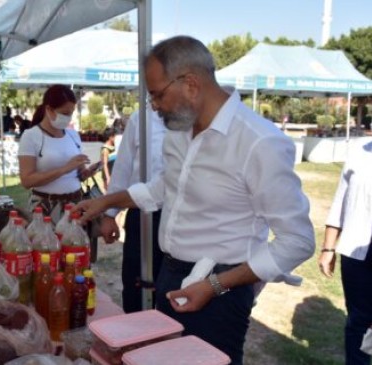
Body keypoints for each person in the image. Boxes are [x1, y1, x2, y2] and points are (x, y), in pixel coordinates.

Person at [75, 36, 315, 364]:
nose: (154, 106)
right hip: (170, 273)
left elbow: (298, 241)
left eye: (157, 95)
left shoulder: (260, 143)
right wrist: (107, 202)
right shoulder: (179, 131)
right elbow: (165, 187)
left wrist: (215, 285)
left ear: (190, 84)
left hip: (221, 291)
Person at [99, 107, 167, 313]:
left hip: (180, 219)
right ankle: (136, 337)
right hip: (141, 214)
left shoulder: (195, 117)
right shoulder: (141, 118)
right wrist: (110, 214)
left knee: (171, 289)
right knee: (136, 285)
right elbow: (123, 167)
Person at [319, 140, 372, 365]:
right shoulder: (359, 153)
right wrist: (328, 247)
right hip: (356, 251)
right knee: (359, 321)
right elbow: (341, 201)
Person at [18, 84, 97, 222]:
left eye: (71, 113)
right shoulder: (31, 136)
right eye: (64, 113)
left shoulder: (73, 135)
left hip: (75, 203)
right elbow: (26, 180)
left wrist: (84, 173)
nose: (69, 118)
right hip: (44, 206)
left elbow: (77, 174)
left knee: (76, 243)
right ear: (49, 109)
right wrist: (65, 169)